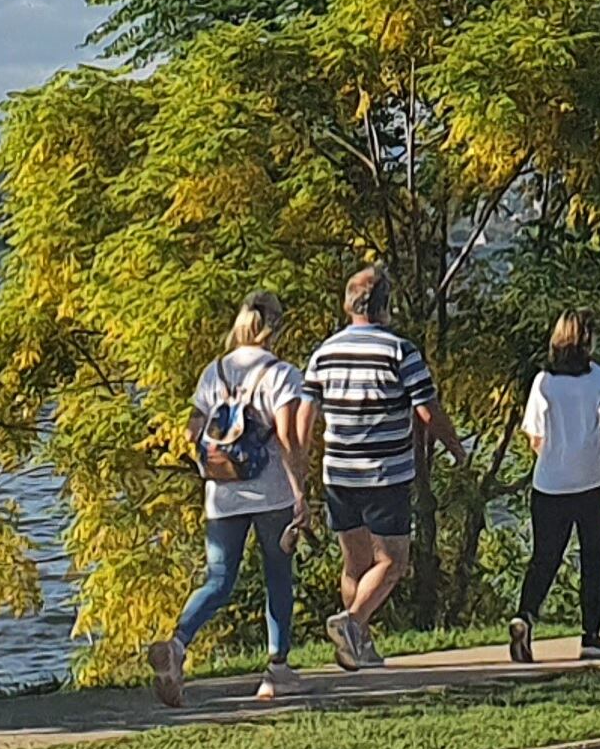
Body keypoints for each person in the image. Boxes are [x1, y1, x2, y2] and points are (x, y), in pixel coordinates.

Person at [150, 291, 316, 707]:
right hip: (272, 492)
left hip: (222, 495)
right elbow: (288, 438)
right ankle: (276, 670)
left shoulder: (214, 372)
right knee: (277, 577)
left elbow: (191, 432)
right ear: (276, 326)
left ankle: (177, 645)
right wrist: (301, 494)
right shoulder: (283, 375)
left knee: (219, 580)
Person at [304, 267, 460, 671]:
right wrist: (456, 448)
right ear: (384, 306)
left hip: (338, 472)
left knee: (355, 563)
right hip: (384, 473)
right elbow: (427, 409)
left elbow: (307, 414)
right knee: (393, 561)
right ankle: (353, 622)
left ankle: (356, 646)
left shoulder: (324, 353)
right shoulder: (399, 351)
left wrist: (301, 462)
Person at [511, 313, 600, 664]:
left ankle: (525, 615)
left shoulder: (543, 381)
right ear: (588, 341)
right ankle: (591, 636)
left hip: (549, 483)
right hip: (593, 482)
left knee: (545, 557)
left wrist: (557, 456)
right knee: (593, 558)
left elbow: (535, 437)